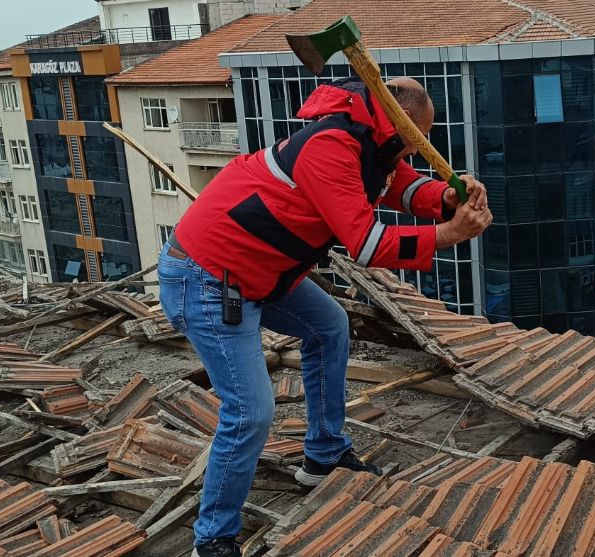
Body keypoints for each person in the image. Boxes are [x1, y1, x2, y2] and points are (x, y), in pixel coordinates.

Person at [158, 76, 491, 557]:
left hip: (259, 272)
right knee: (251, 412)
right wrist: (449, 233)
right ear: (395, 131)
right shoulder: (331, 146)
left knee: (329, 327)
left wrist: (444, 198)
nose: (418, 154)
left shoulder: (368, 145)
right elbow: (367, 244)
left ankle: (324, 455)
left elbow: (399, 184)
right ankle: (212, 539)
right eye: (415, 141)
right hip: (208, 277)